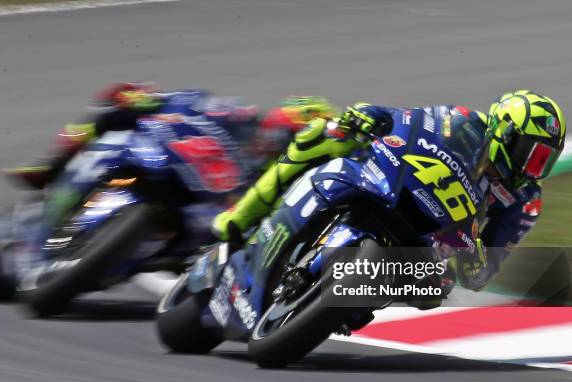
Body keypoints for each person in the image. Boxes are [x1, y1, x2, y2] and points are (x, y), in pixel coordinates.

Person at [212, 90, 566, 293]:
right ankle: (241, 216)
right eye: (529, 153)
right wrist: (370, 115)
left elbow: (483, 272)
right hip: (401, 186)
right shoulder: (463, 121)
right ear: (505, 134)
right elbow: (407, 120)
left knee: (434, 289)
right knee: (323, 134)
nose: (532, 168)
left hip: (434, 245)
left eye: (543, 161)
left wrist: (476, 260)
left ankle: (345, 307)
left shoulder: (524, 201)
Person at [6, 82, 337, 190]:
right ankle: (51, 166)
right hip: (172, 161)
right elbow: (191, 100)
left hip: (199, 216)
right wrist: (146, 99)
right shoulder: (242, 117)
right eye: (290, 135)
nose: (288, 145)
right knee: (116, 114)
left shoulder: (284, 181)